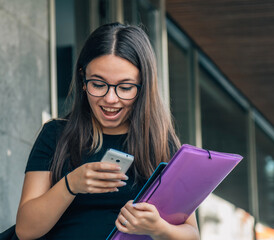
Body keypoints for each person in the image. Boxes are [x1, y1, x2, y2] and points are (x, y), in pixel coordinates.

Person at [15, 22, 200, 240]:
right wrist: (71, 184)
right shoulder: (55, 135)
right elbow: (25, 230)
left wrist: (158, 227)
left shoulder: (160, 142)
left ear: (143, 86)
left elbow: (192, 234)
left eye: (125, 87)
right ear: (83, 80)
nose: (110, 99)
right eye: (98, 84)